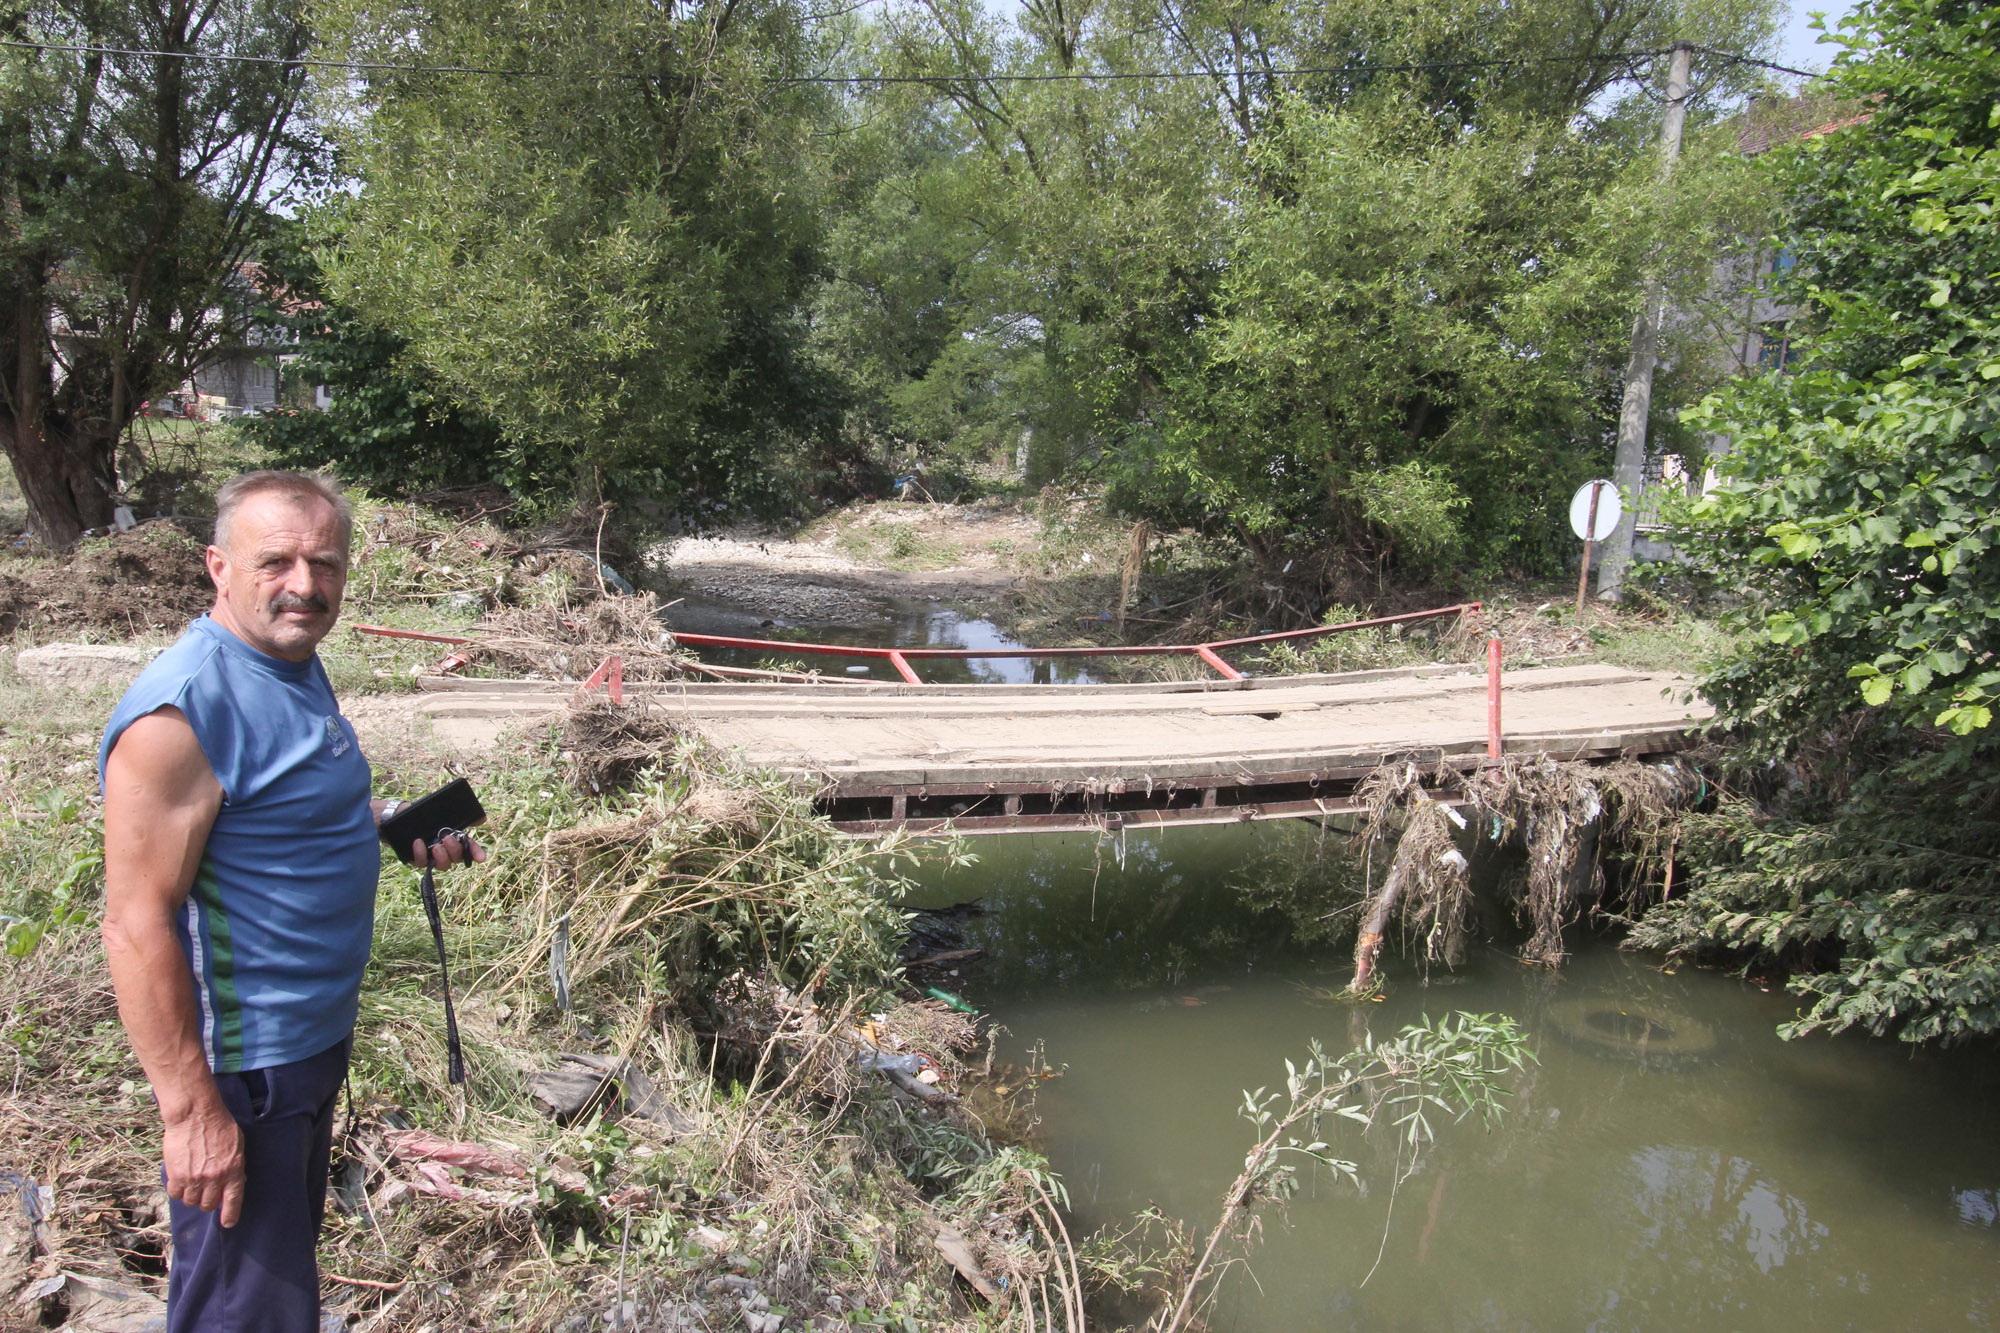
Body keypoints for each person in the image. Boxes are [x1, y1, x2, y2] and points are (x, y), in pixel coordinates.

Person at [99, 471, 484, 1332]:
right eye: (275, 560)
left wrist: (384, 822)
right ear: (217, 566)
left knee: (269, 1298)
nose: (305, 585)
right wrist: (193, 1111)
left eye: (325, 563)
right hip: (246, 1067)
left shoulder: (290, 664)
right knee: (246, 1313)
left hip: (308, 1046)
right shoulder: (183, 711)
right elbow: (134, 921)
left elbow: (280, 809)